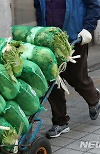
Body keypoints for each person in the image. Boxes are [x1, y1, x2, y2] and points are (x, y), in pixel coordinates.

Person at [34, 0, 100, 138]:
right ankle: (60, 122)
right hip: (50, 40)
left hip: (75, 37)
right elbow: (39, 8)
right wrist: (41, 32)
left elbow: (94, 4)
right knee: (53, 81)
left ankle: (95, 99)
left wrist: (88, 28)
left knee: (77, 78)